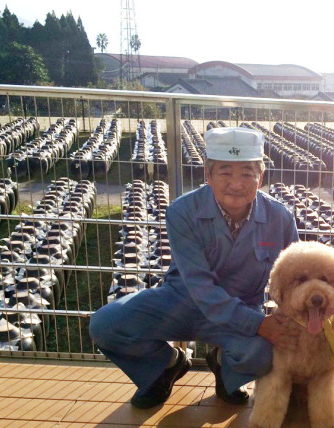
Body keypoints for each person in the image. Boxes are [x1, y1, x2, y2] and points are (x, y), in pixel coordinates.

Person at [89, 127, 300, 409]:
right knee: (106, 325)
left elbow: (297, 276)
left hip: (241, 309)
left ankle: (224, 366)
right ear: (207, 175)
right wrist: (259, 324)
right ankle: (166, 366)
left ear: (260, 178)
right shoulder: (182, 211)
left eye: (247, 174)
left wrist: (299, 318)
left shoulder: (280, 217)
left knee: (266, 353)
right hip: (181, 302)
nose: (236, 184)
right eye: (225, 173)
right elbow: (200, 287)